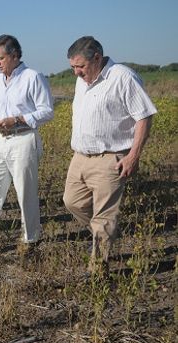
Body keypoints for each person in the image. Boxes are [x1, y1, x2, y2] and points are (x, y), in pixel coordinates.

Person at [63, 36, 157, 277]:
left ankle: (98, 273)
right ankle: (105, 232)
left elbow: (144, 116)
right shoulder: (82, 81)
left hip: (111, 158)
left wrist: (133, 156)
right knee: (71, 201)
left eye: (80, 66)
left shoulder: (123, 77)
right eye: (73, 67)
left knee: (104, 218)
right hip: (80, 156)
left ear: (97, 58)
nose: (76, 72)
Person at [0, 35, 54, 246]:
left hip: (23, 138)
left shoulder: (33, 77)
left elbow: (47, 111)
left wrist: (18, 119)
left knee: (25, 191)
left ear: (14, 55)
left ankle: (30, 240)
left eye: (0, 58)